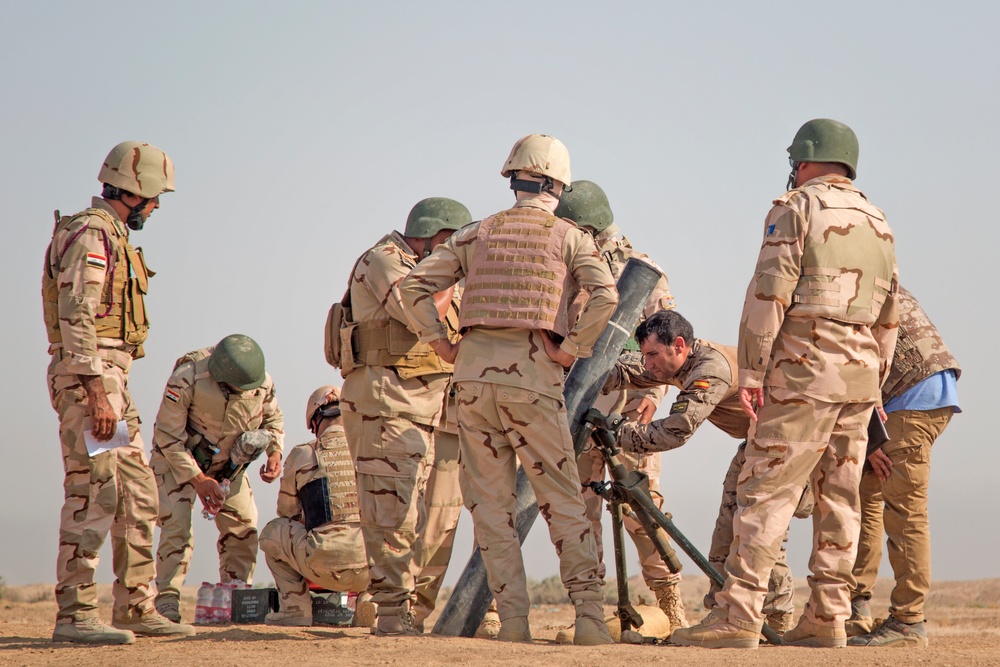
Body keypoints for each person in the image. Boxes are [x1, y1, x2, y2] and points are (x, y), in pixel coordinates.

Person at [672, 118, 899, 649]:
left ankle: (738, 616)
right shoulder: (880, 221)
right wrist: (874, 385)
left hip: (803, 374)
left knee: (765, 492)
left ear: (803, 161)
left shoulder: (795, 207)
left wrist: (751, 372)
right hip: (860, 379)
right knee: (839, 500)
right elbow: (890, 313)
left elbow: (769, 295)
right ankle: (828, 619)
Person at [399, 134, 619, 645]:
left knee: (491, 509)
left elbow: (412, 287)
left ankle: (514, 625)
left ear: (514, 178)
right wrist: (570, 351)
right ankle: (589, 620)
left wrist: (442, 344)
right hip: (534, 381)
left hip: (473, 383)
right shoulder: (568, 236)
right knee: (562, 500)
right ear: (557, 185)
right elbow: (606, 294)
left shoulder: (475, 234)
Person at [43, 141, 193, 644]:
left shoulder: (111, 234)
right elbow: (76, 314)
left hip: (110, 378)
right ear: (136, 190)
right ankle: (76, 613)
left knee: (136, 491)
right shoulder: (90, 233)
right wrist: (96, 392)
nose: (157, 206)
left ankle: (136, 606)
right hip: (91, 378)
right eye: (155, 196)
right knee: (95, 489)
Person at [608, 309, 811, 634]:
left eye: (653, 355)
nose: (649, 364)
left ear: (678, 345)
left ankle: (777, 624)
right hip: (759, 444)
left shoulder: (709, 368)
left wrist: (620, 432)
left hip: (785, 444)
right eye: (645, 355)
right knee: (726, 533)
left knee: (760, 532)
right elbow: (633, 373)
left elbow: (677, 429)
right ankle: (723, 615)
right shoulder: (678, 361)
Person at [553, 180, 689, 629]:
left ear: (586, 228)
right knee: (577, 515)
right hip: (575, 409)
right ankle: (588, 613)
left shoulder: (641, 271)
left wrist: (651, 396)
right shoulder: (566, 268)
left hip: (627, 413)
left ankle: (671, 605)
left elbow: (665, 344)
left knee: (640, 510)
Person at [339, 197, 471, 635]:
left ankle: (411, 610)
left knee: (436, 521)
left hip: (438, 411)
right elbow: (418, 309)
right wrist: (450, 271)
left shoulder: (440, 270)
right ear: (436, 236)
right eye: (455, 243)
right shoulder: (384, 261)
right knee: (392, 515)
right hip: (387, 407)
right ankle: (391, 613)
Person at [847, 286, 960, 648]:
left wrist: (870, 433)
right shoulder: (874, 276)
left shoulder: (847, 289)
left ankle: (908, 619)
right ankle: (856, 605)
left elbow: (855, 361)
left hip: (911, 399)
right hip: (915, 395)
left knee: (905, 511)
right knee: (867, 493)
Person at [150, 334, 284, 621]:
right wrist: (198, 480)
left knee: (243, 528)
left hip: (227, 466)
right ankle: (167, 602)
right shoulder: (187, 379)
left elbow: (273, 420)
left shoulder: (262, 383)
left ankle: (235, 597)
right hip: (177, 461)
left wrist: (275, 453)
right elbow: (167, 437)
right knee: (177, 528)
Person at [259, 385, 374, 627]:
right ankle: (370, 601)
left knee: (273, 532)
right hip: (372, 567)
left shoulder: (302, 454)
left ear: (314, 421)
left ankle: (295, 609)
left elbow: (287, 513)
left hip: (322, 564)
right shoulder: (370, 452)